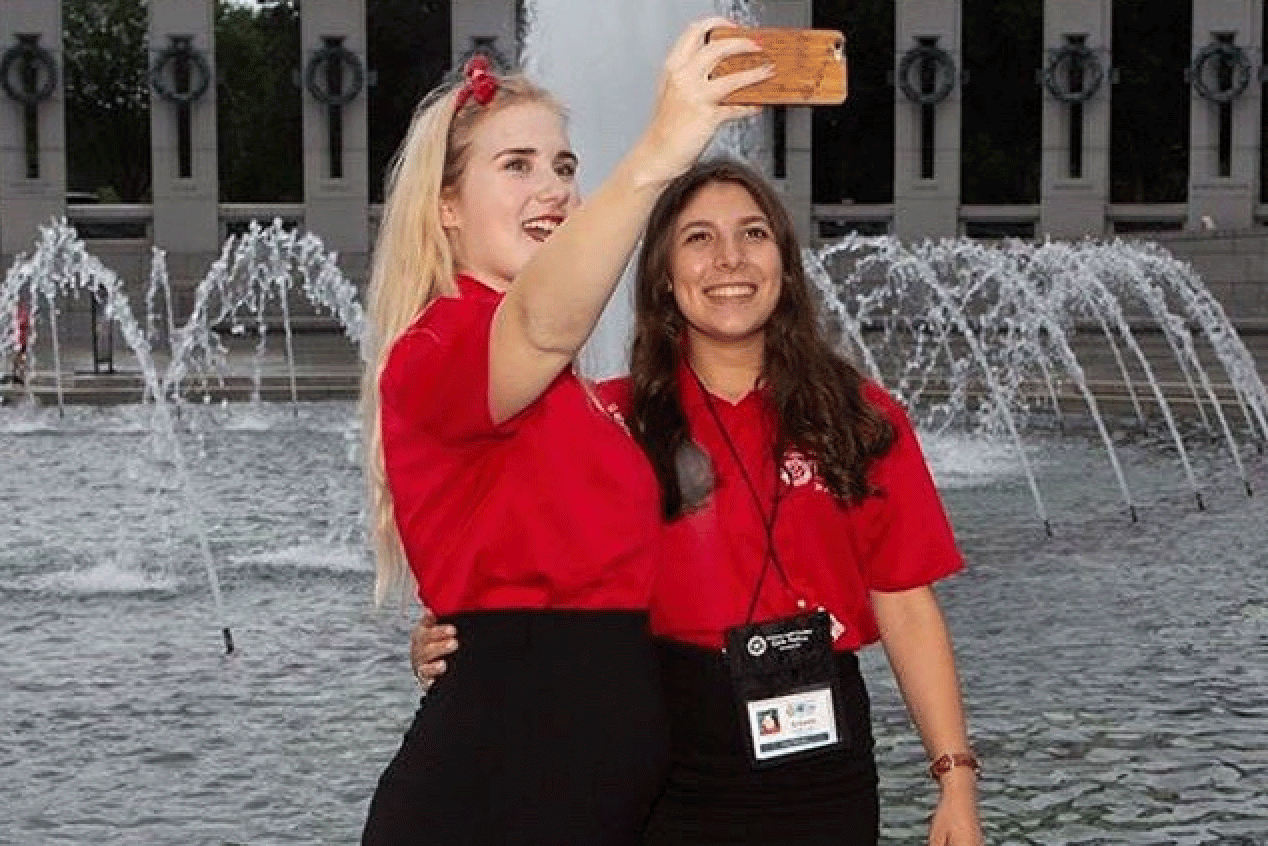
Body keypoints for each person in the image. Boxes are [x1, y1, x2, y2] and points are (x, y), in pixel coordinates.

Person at [413, 159, 984, 846]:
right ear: (662, 273)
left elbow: (906, 605)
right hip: (655, 749)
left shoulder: (861, 418)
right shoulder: (609, 424)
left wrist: (954, 779)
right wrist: (455, 640)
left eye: (753, 234)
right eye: (699, 239)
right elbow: (521, 566)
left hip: (821, 759)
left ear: (785, 263)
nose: (729, 259)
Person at [359, 21, 770, 846]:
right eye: (517, 166)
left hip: (578, 789)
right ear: (446, 205)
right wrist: (658, 151)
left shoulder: (576, 398)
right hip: (495, 790)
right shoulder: (437, 346)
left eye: (565, 167)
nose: (553, 187)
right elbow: (542, 326)